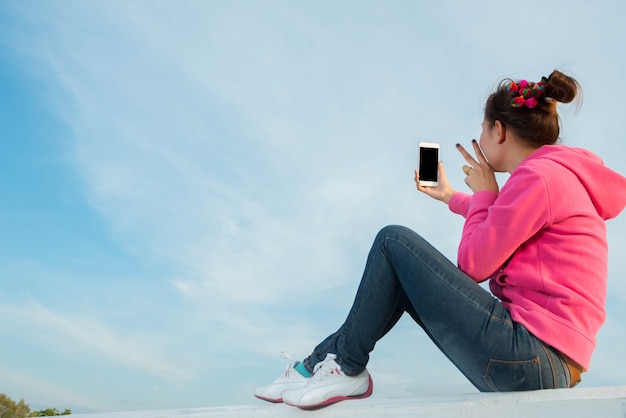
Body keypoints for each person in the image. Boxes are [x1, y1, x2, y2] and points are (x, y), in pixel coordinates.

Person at [254, 69, 626, 410]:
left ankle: (347, 368)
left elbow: (473, 265)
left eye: (482, 128)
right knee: (400, 266)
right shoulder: (554, 175)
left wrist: (482, 195)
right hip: (545, 361)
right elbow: (506, 220)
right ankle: (317, 365)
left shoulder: (539, 178)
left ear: (499, 131)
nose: (480, 138)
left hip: (532, 357)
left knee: (392, 242)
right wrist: (451, 195)